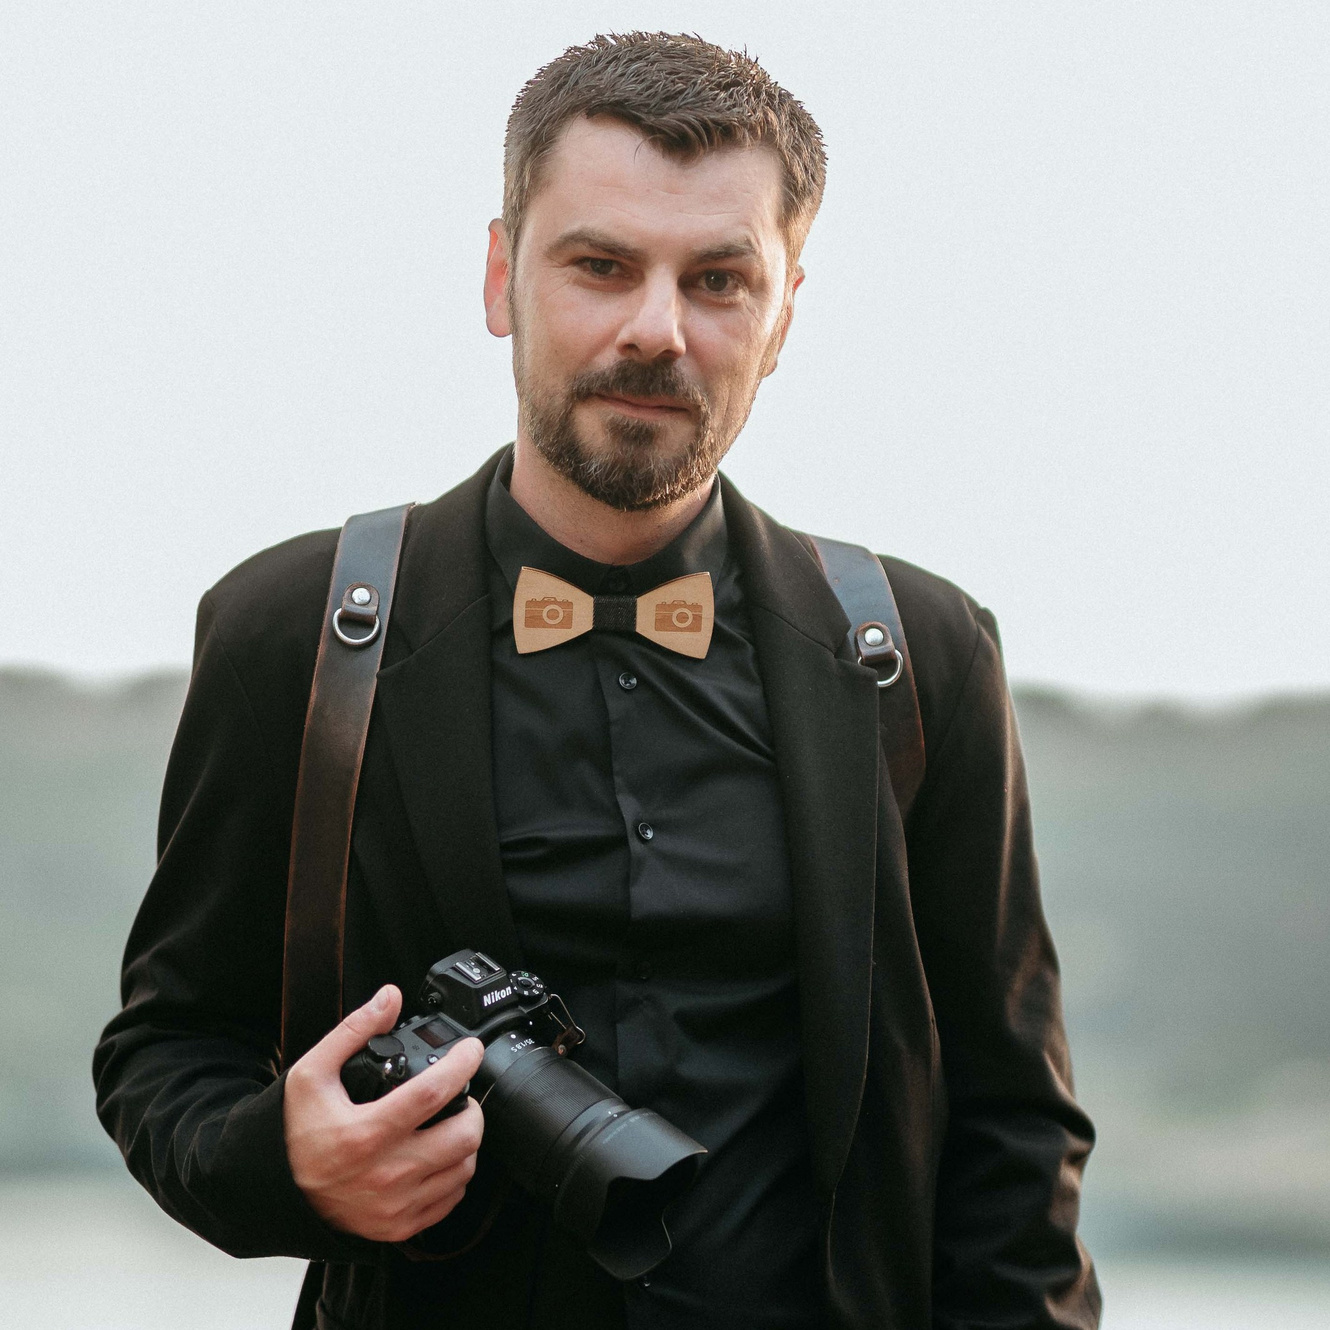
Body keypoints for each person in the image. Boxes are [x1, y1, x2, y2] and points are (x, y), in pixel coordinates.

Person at [94, 31, 1102, 1330]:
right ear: (502, 275)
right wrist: (290, 1167)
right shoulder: (292, 632)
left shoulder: (921, 652)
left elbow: (1014, 1132)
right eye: (601, 265)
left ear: (784, 315)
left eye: (719, 280)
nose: (655, 330)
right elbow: (166, 1051)